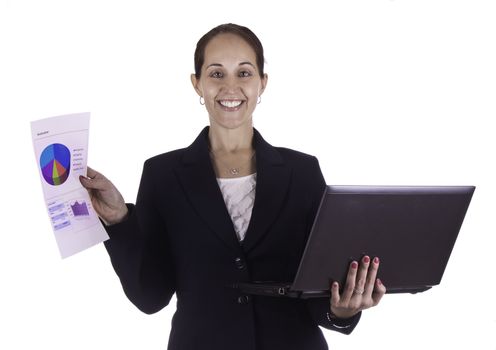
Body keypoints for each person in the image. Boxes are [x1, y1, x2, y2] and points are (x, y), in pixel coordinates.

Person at [80, 23, 386, 350]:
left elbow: (318, 290)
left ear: (262, 83)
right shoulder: (162, 175)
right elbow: (150, 296)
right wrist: (118, 221)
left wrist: (341, 310)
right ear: (197, 84)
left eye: (244, 73)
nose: (230, 86)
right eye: (216, 74)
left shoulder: (303, 172)